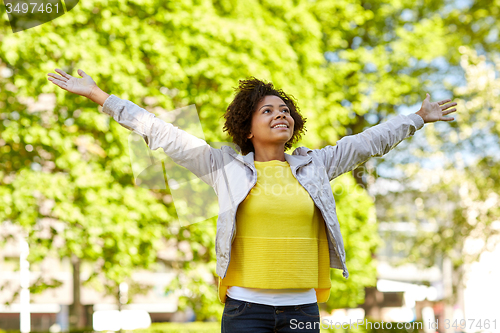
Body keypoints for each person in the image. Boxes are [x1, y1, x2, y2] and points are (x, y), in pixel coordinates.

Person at [47, 68, 457, 333]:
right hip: (246, 311)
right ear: (247, 127)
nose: (281, 115)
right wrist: (99, 95)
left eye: (285, 111)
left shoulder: (317, 165)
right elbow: (161, 131)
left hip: (301, 312)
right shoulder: (222, 167)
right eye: (268, 111)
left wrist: (417, 117)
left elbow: (369, 142)